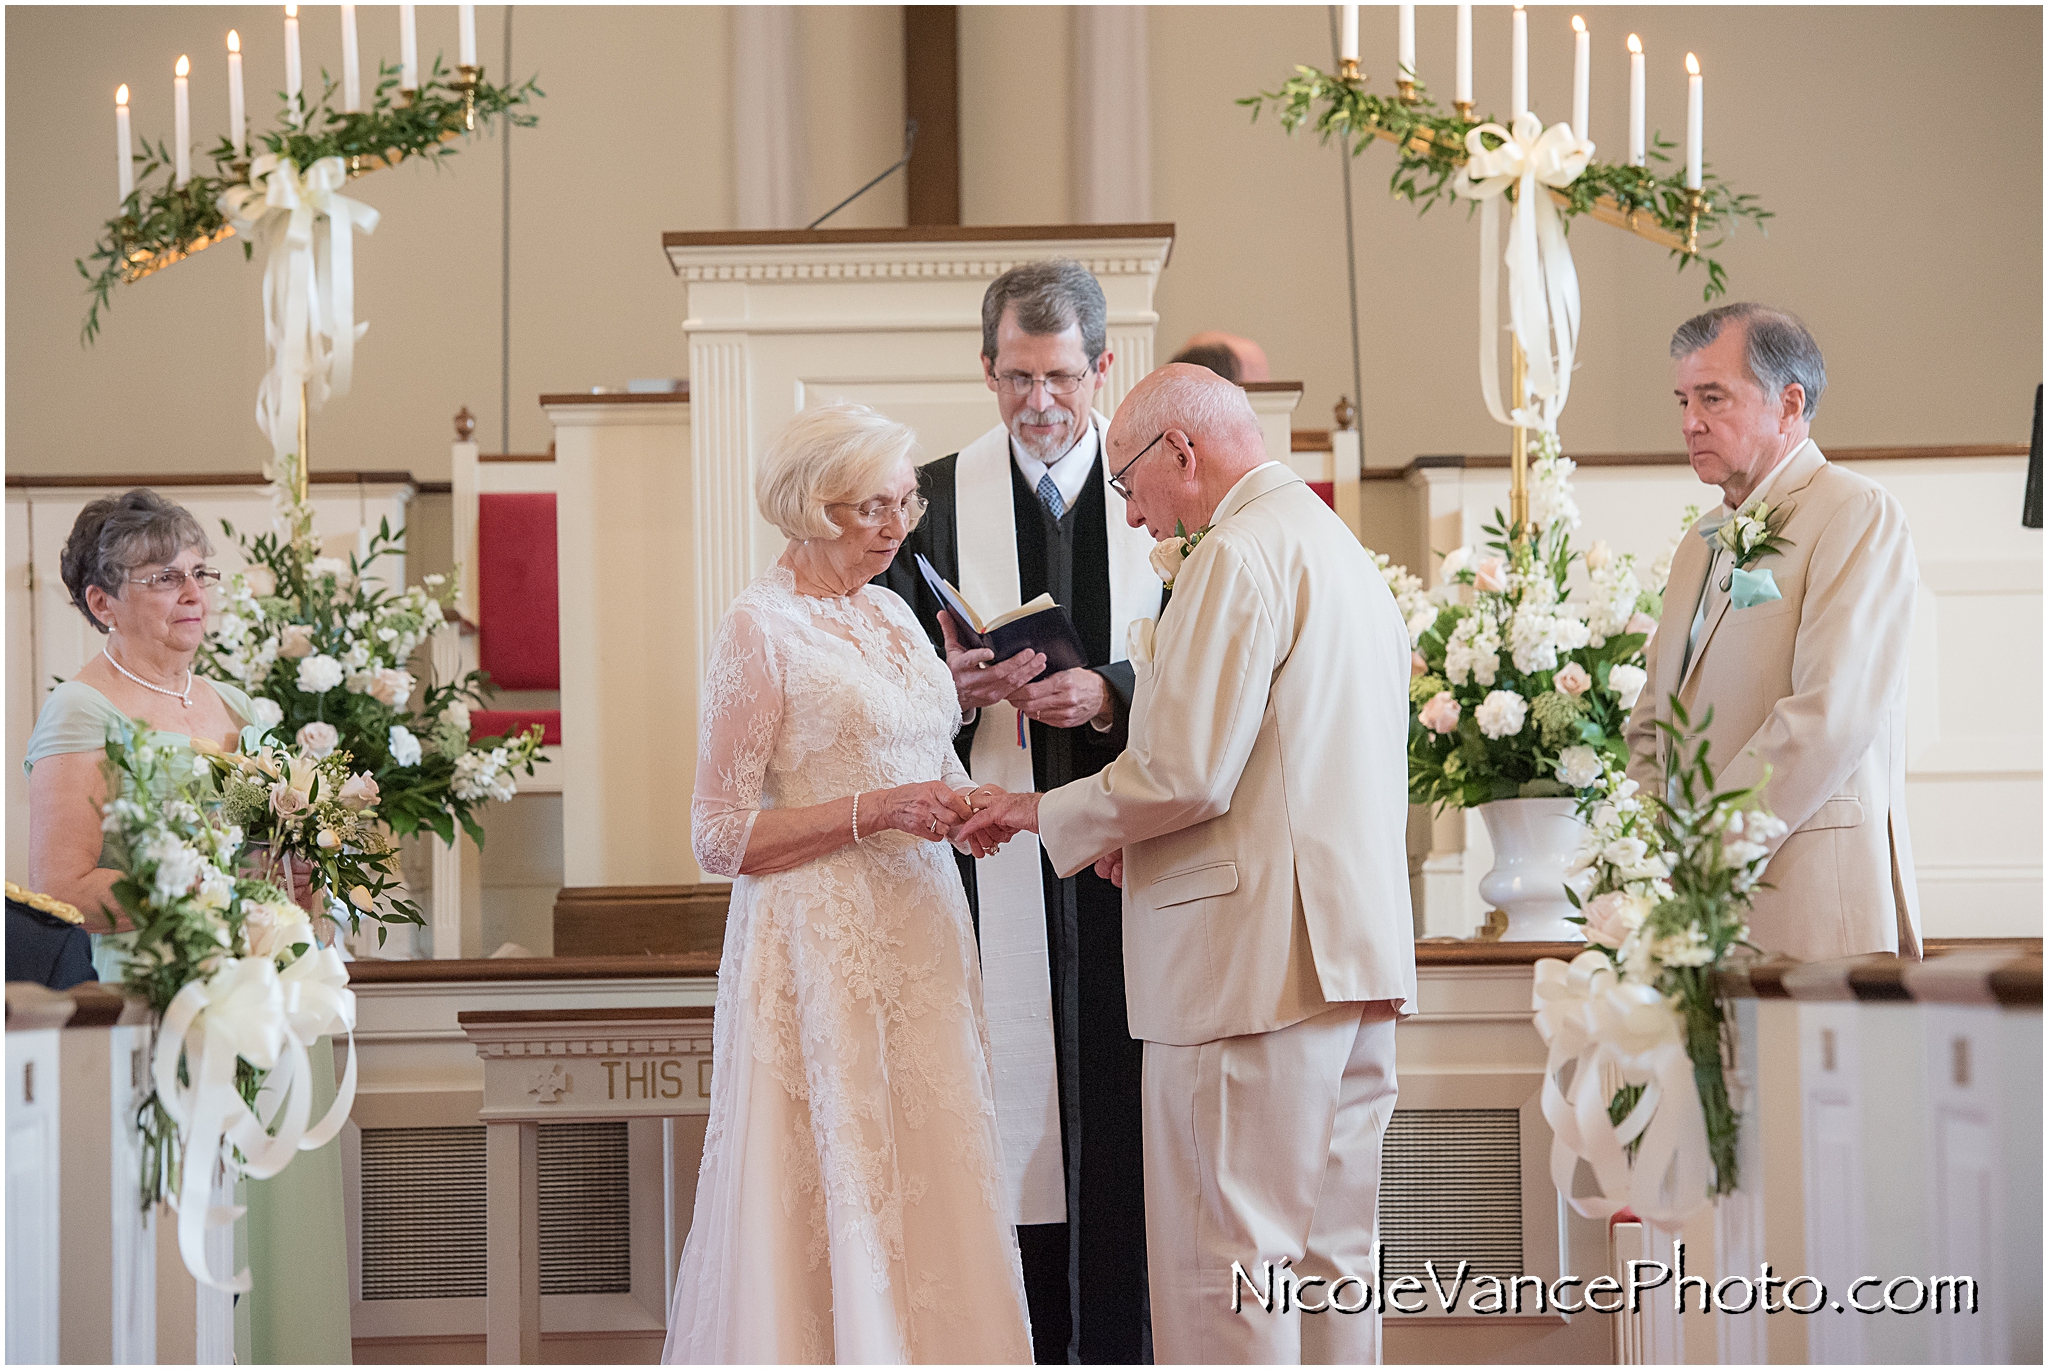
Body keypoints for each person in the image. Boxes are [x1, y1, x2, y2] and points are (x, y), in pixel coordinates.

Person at [961, 366, 1418, 1365]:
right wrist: (1143, 834)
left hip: (1245, 967)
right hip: (1347, 953)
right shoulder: (1333, 547)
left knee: (1225, 1262)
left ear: (1181, 450)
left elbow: (1187, 769)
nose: (1128, 515)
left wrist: (1038, 808)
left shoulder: (1236, 556)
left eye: (1127, 482)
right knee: (1329, 1257)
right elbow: (1294, 764)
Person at [663, 402, 1032, 1364]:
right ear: (812, 507)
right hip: (821, 948)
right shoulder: (760, 627)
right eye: (874, 508)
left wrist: (968, 804)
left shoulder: (897, 610)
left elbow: (920, 754)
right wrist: (875, 812)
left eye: (905, 501)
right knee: (836, 1177)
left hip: (924, 932)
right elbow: (715, 834)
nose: (899, 526)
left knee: (935, 1160)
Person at [877, 258, 1161, 1363]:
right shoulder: (934, 499)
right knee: (1008, 1115)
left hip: (1126, 857)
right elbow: (885, 687)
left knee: (1126, 1113)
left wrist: (1110, 691)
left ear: (1102, 366)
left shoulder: (1156, 488)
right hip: (989, 863)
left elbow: (1215, 662)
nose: (1037, 404)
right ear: (983, 368)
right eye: (1012, 378)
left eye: (1057, 377)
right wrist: (951, 692)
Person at [23, 487, 348, 1364]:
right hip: (155, 1006)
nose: (194, 592)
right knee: (181, 1249)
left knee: (269, 1228)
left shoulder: (231, 706)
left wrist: (297, 877)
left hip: (261, 996)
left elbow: (264, 852)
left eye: (200, 572)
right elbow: (60, 886)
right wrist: (199, 894)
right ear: (102, 602)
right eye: (164, 577)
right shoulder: (80, 713)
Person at [1625, 304, 1921, 960]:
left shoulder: (1854, 513)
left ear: (1790, 405)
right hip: (1693, 916)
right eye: (1682, 400)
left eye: (1713, 397)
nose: (1689, 422)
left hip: (1809, 900)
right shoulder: (1697, 546)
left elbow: (1831, 715)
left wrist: (1705, 855)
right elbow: (1652, 724)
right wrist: (1645, 859)